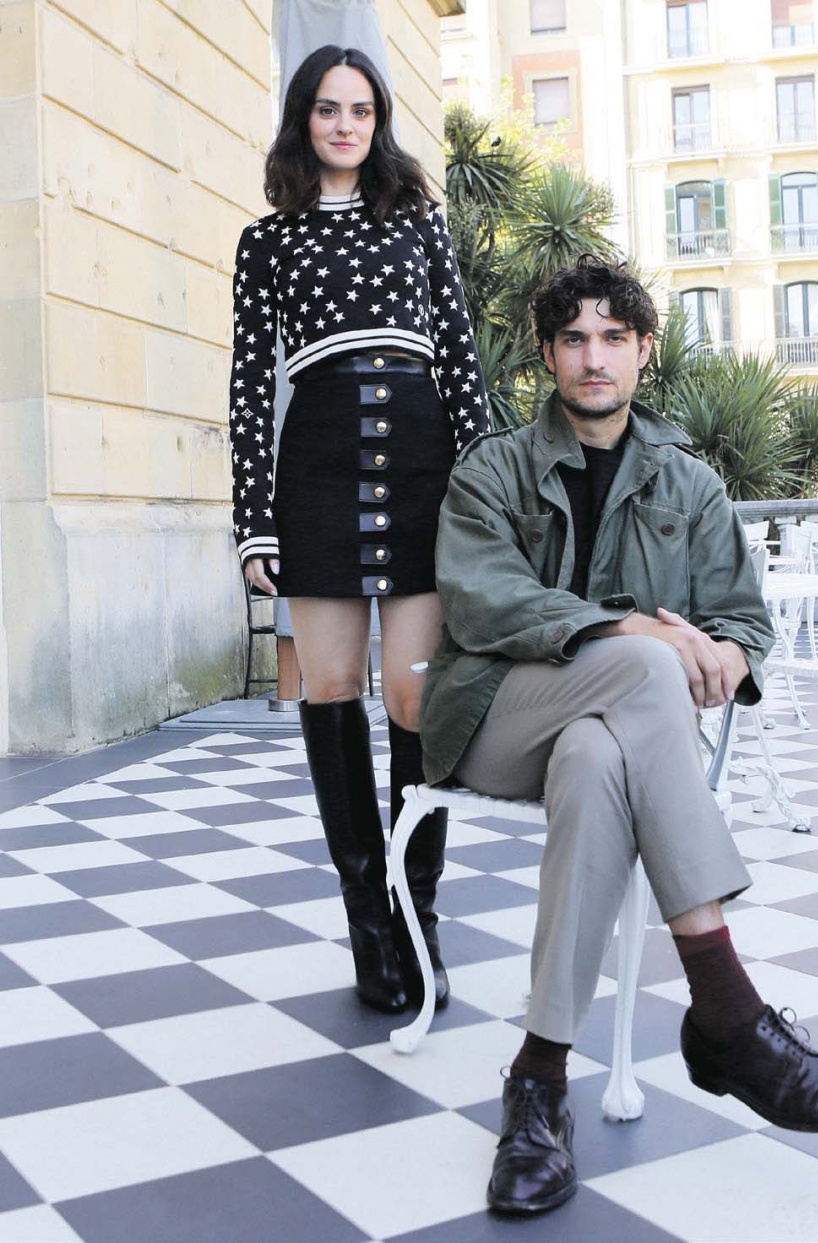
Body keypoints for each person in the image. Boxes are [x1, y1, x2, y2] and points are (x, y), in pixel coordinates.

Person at [419, 256, 818, 1215]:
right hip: (493, 715)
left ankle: (538, 1080)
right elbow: (482, 603)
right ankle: (727, 1012)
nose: (593, 358)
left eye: (613, 338)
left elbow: (743, 619)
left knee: (599, 755)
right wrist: (638, 629)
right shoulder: (492, 468)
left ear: (644, 350)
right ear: (548, 355)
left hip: (600, 736)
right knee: (644, 664)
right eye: (573, 339)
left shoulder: (690, 481)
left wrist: (725, 651)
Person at [227, 45, 488, 1016]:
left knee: (417, 703)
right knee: (332, 690)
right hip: (319, 471)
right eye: (329, 109)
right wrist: (254, 519)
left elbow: (460, 359)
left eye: (362, 110)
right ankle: (368, 931)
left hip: (422, 468)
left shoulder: (419, 222)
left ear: (379, 123)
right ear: (304, 119)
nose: (345, 125)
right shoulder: (267, 241)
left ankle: (419, 919)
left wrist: (485, 492)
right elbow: (249, 387)